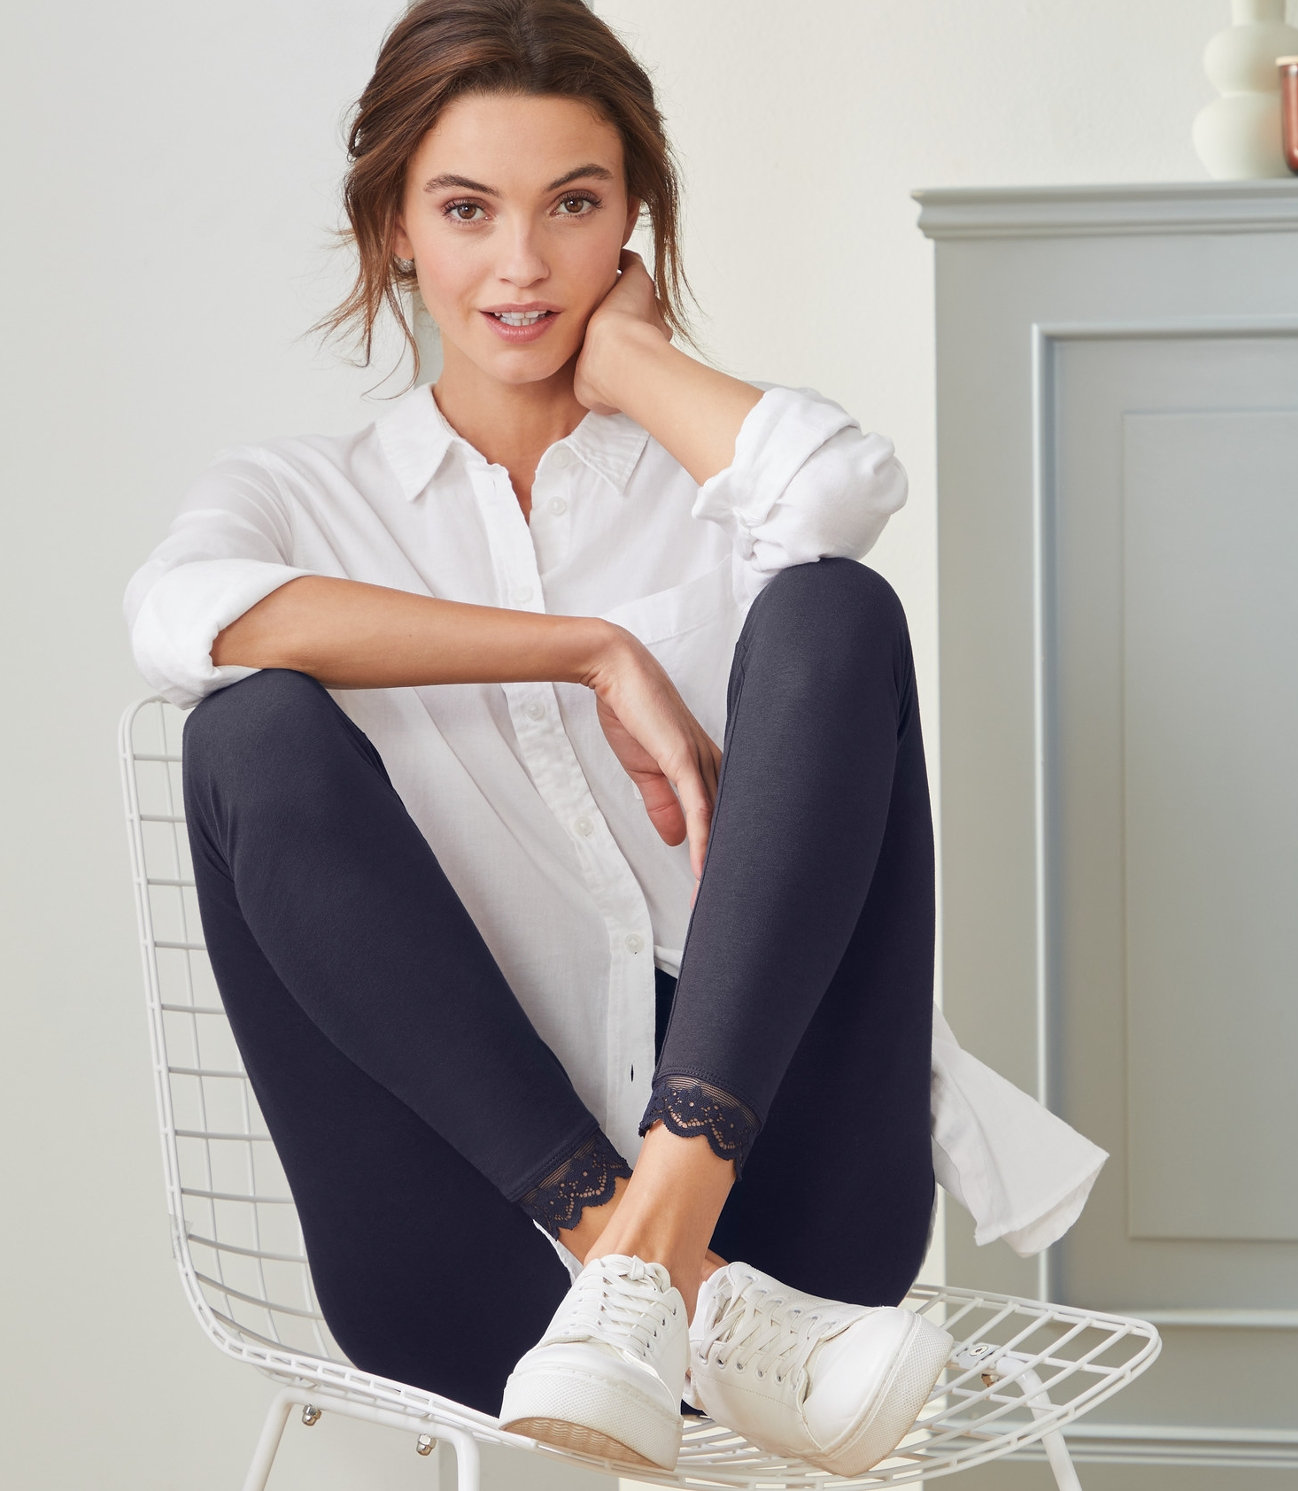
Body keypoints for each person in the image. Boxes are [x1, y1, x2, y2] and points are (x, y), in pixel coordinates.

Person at [123, 0, 1102, 1475]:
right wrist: (586, 650)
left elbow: (837, 495)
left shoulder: (704, 482)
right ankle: (657, 1281)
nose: (520, 267)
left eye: (571, 206)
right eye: (465, 210)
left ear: (630, 221)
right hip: (475, 1257)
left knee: (835, 610)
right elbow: (178, 614)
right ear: (393, 227)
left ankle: (660, 1249)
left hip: (795, 1213)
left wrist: (635, 367)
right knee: (248, 732)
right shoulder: (299, 497)